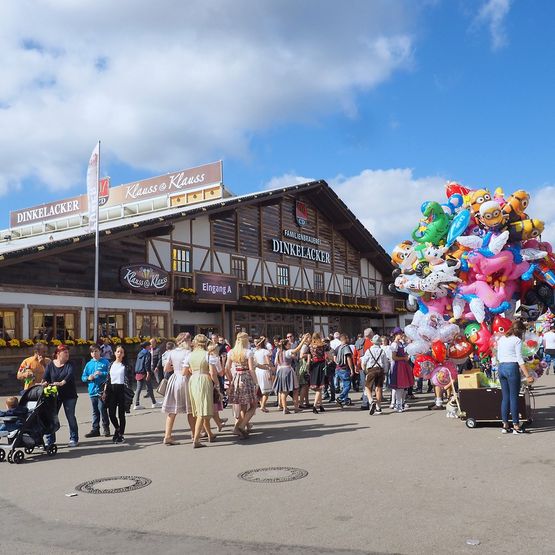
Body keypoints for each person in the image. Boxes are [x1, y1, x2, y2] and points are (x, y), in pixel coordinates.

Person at [496, 320, 534, 433]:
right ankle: (516, 426)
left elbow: (498, 355)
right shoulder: (517, 340)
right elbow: (519, 359)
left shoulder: (502, 339)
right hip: (511, 368)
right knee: (514, 397)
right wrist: (528, 376)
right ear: (521, 331)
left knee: (505, 398)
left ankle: (505, 425)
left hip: (501, 367)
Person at [184, 334, 219, 448]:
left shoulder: (190, 355)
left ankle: (209, 434)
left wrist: (193, 370)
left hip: (193, 379)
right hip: (204, 379)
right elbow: (213, 373)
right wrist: (217, 384)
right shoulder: (207, 355)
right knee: (202, 410)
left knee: (201, 408)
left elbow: (185, 371)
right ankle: (196, 439)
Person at [43, 344, 79, 447]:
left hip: (69, 395)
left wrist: (63, 382)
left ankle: (73, 438)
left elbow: (70, 374)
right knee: (52, 416)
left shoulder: (70, 364)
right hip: (54, 395)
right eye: (65, 352)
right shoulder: (51, 364)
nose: (68, 354)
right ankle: (50, 439)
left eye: (68, 352)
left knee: (70, 417)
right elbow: (45, 377)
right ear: (58, 354)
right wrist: (44, 382)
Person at [162, 333, 193, 445]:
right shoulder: (188, 352)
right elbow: (188, 370)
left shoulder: (172, 352)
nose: (191, 343)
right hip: (184, 379)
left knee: (172, 410)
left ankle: (167, 436)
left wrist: (175, 367)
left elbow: (166, 369)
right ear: (186, 341)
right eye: (190, 341)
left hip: (174, 378)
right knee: (190, 410)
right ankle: (194, 434)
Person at [225, 331, 258, 438]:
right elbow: (251, 369)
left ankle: (238, 428)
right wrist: (256, 382)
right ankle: (242, 426)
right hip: (246, 377)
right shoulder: (248, 352)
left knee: (243, 405)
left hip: (236, 378)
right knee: (253, 405)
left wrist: (231, 379)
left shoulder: (232, 352)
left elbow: (226, 368)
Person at [273, 334, 310, 414]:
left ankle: (284, 408)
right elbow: (296, 349)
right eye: (289, 344)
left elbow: (276, 362)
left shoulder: (279, 352)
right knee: (295, 389)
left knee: (283, 391)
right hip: (288, 370)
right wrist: (303, 340)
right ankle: (295, 407)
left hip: (281, 371)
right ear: (285, 345)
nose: (290, 345)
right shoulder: (287, 352)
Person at [81, 344, 111, 438]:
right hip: (92, 391)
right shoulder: (88, 364)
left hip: (102, 391)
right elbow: (83, 377)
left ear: (100, 351)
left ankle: (106, 428)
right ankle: (95, 429)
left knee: (102, 409)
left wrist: (101, 373)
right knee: (95, 411)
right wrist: (88, 378)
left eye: (96, 351)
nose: (94, 353)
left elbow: (110, 374)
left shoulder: (105, 362)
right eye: (92, 352)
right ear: (90, 354)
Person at [106, 345, 133, 443]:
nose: (119, 354)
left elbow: (130, 380)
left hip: (122, 390)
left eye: (121, 352)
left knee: (121, 414)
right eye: (118, 352)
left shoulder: (126, 366)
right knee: (111, 414)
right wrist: (105, 391)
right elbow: (108, 379)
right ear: (114, 353)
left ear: (124, 354)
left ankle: (120, 434)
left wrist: (129, 391)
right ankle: (117, 429)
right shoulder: (111, 364)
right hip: (112, 390)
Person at [361, 335, 390, 415]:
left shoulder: (368, 351)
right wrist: (385, 371)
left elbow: (363, 362)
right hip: (380, 370)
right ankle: (378, 407)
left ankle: (371, 400)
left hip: (371, 370)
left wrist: (364, 370)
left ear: (372, 342)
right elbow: (385, 363)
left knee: (367, 387)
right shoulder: (382, 351)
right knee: (378, 388)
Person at [389, 331, 414, 413]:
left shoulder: (400, 343)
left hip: (403, 365)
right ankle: (398, 404)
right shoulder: (394, 344)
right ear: (396, 335)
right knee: (399, 387)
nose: (402, 335)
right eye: (400, 334)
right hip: (398, 366)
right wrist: (404, 358)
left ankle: (401, 403)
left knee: (403, 387)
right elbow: (394, 357)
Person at [133, 341, 160, 410]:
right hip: (144, 372)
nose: (150, 346)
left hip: (138, 372)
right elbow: (147, 363)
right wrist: (148, 372)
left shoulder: (140, 353)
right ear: (147, 346)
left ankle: (136, 404)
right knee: (150, 388)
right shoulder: (148, 353)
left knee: (138, 389)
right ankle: (154, 403)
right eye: (149, 345)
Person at [307, 332, 327, 413]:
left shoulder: (310, 346)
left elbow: (309, 359)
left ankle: (321, 405)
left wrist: (308, 368)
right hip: (321, 365)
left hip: (313, 366)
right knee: (319, 387)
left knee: (318, 387)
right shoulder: (323, 345)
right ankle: (315, 405)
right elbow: (328, 354)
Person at [253, 336, 273, 412]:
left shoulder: (255, 352)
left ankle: (262, 404)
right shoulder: (265, 351)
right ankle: (263, 405)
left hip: (257, 371)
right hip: (264, 370)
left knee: (260, 390)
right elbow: (268, 363)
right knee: (266, 391)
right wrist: (271, 369)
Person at [334, 334, 354, 408]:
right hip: (344, 368)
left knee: (345, 385)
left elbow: (334, 358)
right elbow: (348, 358)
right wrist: (351, 369)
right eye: (347, 338)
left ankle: (345, 400)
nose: (348, 339)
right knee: (348, 386)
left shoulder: (338, 347)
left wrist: (337, 364)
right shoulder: (346, 347)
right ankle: (340, 398)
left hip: (338, 368)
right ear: (345, 339)